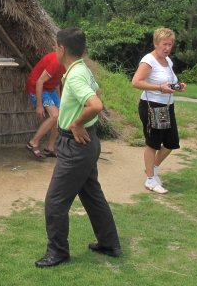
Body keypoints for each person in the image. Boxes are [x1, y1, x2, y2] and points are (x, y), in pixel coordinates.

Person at [35, 27, 121, 268]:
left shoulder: (74, 75)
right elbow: (96, 91)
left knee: (55, 202)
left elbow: (95, 103)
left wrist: (76, 123)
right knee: (92, 195)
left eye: (55, 46)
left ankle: (58, 252)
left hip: (76, 146)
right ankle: (109, 243)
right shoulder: (83, 69)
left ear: (62, 49)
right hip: (87, 143)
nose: (54, 49)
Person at [131, 27, 186, 195]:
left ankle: (152, 170)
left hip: (167, 106)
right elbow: (136, 82)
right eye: (164, 44)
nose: (167, 48)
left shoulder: (168, 61)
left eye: (170, 44)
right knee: (153, 142)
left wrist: (178, 86)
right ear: (156, 43)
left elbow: (168, 81)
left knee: (171, 142)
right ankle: (150, 179)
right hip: (152, 105)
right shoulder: (149, 60)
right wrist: (159, 88)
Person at [25, 52, 66, 159]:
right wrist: (39, 105)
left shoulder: (68, 64)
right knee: (55, 115)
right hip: (37, 87)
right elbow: (39, 82)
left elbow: (57, 81)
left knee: (61, 116)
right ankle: (33, 142)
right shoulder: (57, 61)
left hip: (50, 88)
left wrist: (60, 100)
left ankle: (50, 148)